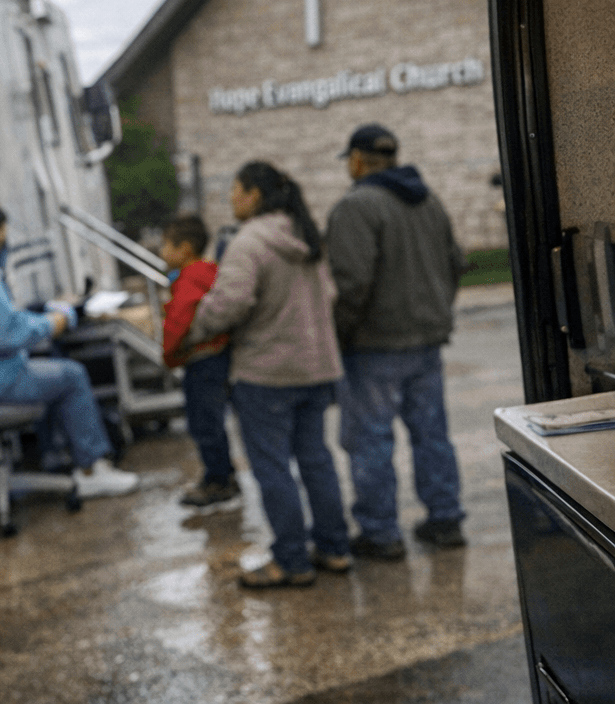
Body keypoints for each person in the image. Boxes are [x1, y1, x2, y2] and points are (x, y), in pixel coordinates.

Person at [187, 162, 350, 589]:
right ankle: (334, 549)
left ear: (254, 195)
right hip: (315, 368)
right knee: (316, 459)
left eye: (235, 190)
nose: (231, 199)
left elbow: (230, 304)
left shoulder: (250, 241)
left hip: (266, 374)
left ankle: (292, 561)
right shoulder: (305, 235)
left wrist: (197, 322)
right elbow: (329, 294)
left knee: (273, 467)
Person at [0, 202, 139, 499]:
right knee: (71, 375)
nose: (3, 244)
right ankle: (91, 469)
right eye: (2, 236)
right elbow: (7, 335)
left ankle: (54, 457)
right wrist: (57, 320)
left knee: (44, 369)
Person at [328, 124, 469, 559]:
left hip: (374, 348)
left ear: (356, 160)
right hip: (426, 343)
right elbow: (456, 264)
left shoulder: (355, 206)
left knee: (370, 440)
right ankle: (445, 520)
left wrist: (339, 336)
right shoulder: (428, 201)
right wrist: (436, 311)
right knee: (432, 435)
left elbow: (350, 284)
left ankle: (380, 533)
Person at [158, 215, 238, 510]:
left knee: (203, 422)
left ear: (186, 249)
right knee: (214, 421)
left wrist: (169, 353)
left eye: (167, 246)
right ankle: (225, 474)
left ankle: (218, 481)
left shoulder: (189, 278)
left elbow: (178, 319)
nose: (162, 252)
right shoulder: (210, 272)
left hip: (201, 361)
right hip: (217, 356)